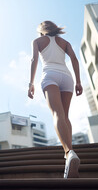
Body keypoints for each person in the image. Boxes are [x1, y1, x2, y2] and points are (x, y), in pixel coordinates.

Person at [28, 20, 83, 178]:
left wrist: (31, 83)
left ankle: (68, 152)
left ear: (41, 30)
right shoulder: (64, 42)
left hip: (50, 75)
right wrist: (78, 82)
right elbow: (74, 60)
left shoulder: (38, 41)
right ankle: (70, 155)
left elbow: (34, 60)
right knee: (65, 116)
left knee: (57, 114)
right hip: (67, 77)